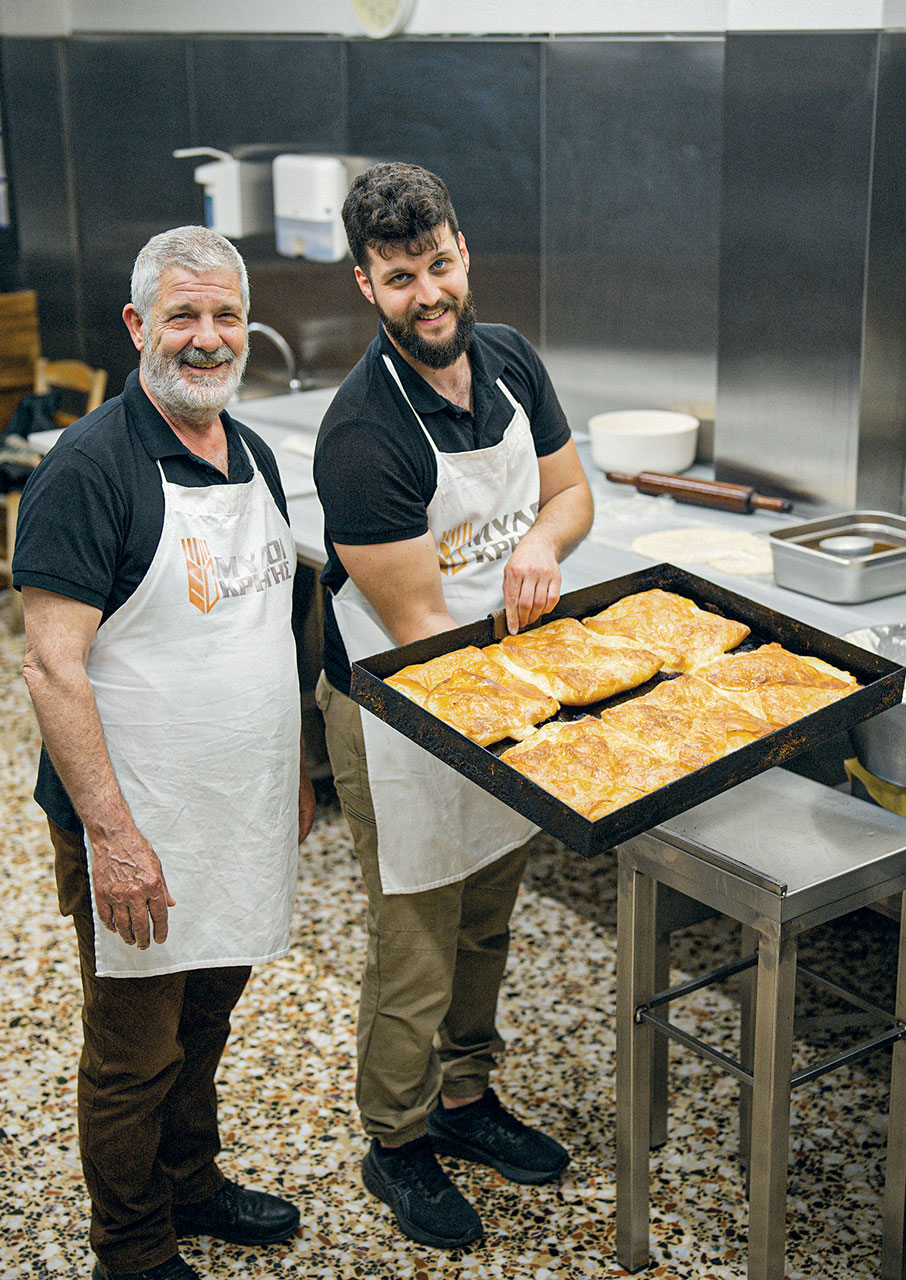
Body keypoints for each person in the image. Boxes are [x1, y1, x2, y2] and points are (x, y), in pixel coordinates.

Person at [12, 226, 316, 1280]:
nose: (207, 337)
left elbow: (263, 630)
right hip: (134, 817)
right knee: (136, 1050)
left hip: (233, 805)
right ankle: (131, 1243)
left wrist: (290, 776)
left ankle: (193, 1181)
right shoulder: (88, 469)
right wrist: (113, 834)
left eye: (226, 315)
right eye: (183, 315)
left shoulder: (253, 450)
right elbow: (53, 669)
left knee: (207, 1015)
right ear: (139, 326)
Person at [312, 162, 594, 1249]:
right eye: (399, 277)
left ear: (462, 251)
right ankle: (396, 1138)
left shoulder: (512, 358)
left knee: (488, 919)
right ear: (365, 286)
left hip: (502, 688)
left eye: (439, 264)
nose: (428, 293)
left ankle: (467, 1101)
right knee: (418, 939)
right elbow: (426, 628)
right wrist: (558, 719)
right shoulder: (364, 433)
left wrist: (537, 541)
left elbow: (572, 493)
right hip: (409, 714)